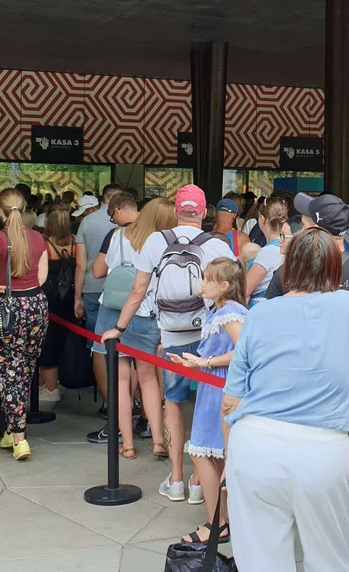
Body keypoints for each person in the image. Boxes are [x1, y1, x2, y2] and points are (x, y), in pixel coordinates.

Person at [222, 226, 349, 572]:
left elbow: (230, 401)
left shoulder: (260, 312)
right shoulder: (346, 304)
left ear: (289, 266)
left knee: (261, 561)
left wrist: (230, 459)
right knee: (329, 558)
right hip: (322, 450)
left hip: (256, 443)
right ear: (334, 267)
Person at [105, 185, 234, 502]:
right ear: (204, 213)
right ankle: (197, 480)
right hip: (208, 339)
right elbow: (234, 295)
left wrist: (118, 328)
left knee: (173, 404)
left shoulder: (155, 241)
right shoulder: (216, 246)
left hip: (173, 336)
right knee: (209, 406)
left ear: (177, 210)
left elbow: (138, 292)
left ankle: (175, 479)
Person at [168, 258, 247, 545]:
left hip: (220, 389)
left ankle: (217, 522)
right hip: (214, 386)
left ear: (224, 286)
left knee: (204, 452)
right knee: (211, 453)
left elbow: (244, 350)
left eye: (207, 279)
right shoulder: (224, 310)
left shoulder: (229, 312)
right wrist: (199, 363)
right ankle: (221, 520)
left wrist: (206, 361)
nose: (201, 284)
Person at [0, 187, 50, 462]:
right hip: (36, 306)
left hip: (8, 307)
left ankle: (19, 437)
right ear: (24, 208)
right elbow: (42, 277)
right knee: (25, 369)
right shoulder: (38, 238)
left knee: (5, 370)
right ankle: (13, 425)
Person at [96, 197, 172, 459]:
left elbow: (103, 270)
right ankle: (159, 439)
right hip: (146, 313)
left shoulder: (118, 235)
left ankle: (127, 444)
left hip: (114, 310)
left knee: (120, 379)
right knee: (149, 379)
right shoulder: (163, 243)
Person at [75, 184, 123, 410]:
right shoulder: (133, 224)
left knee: (99, 346)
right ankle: (130, 401)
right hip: (126, 292)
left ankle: (108, 401)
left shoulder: (88, 221)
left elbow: (80, 263)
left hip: (93, 288)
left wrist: (77, 296)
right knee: (127, 348)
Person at [38, 203, 75, 405]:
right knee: (60, 340)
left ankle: (51, 388)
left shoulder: (44, 244)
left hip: (49, 298)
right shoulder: (75, 243)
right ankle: (47, 384)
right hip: (69, 297)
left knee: (47, 343)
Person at [244, 196, 288, 305]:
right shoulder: (289, 247)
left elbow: (245, 290)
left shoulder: (268, 252)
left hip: (261, 308)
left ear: (262, 218)